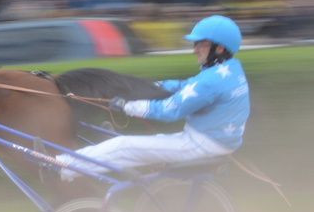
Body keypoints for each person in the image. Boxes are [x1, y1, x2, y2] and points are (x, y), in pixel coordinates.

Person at [59, 14, 249, 181]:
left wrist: (128, 106)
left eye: (201, 44)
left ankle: (62, 166)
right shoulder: (230, 69)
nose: (195, 49)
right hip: (212, 142)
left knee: (123, 146)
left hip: (201, 145)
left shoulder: (212, 81)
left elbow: (169, 111)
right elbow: (188, 85)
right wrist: (154, 86)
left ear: (220, 48)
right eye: (195, 44)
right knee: (128, 147)